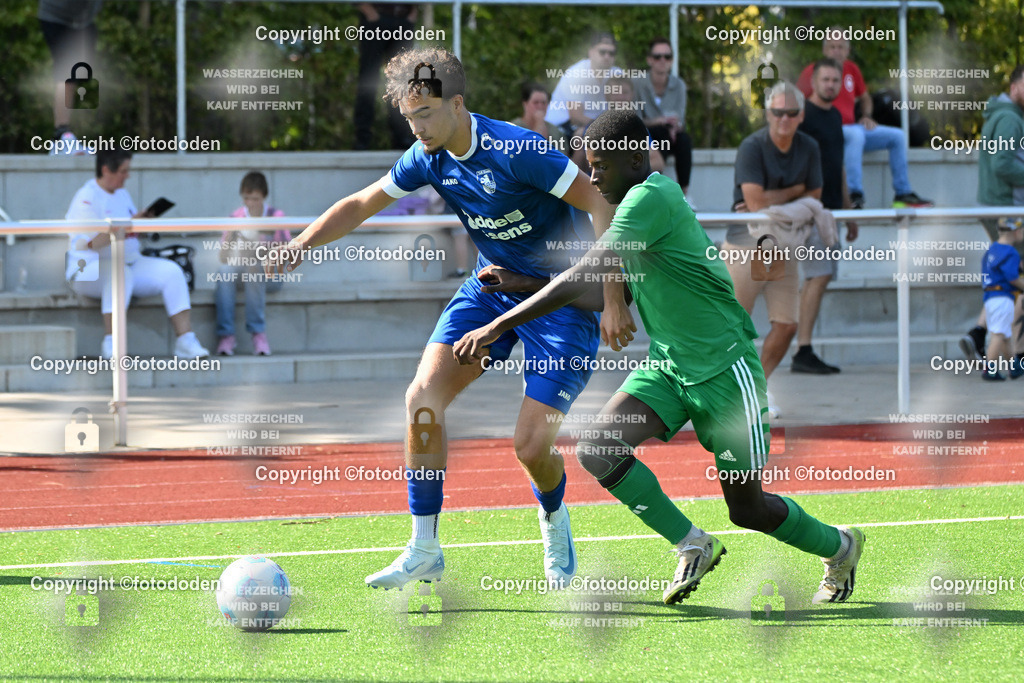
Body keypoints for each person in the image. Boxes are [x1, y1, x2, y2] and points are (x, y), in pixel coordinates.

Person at [453, 109, 865, 606]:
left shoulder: (652, 197)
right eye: (589, 165)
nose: (594, 175)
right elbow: (613, 292)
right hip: (670, 367)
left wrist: (499, 323)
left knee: (748, 510)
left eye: (601, 164)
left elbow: (591, 272)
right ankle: (692, 543)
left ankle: (840, 547)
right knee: (599, 448)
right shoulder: (633, 203)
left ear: (635, 155)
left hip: (724, 372)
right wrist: (523, 284)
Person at [264, 46, 631, 590]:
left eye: (425, 114)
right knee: (423, 399)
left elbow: (601, 202)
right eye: (409, 118)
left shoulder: (519, 149)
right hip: (491, 288)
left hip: (560, 301)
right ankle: (424, 546)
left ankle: (555, 523)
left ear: (457, 105)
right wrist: (301, 242)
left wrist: (614, 296)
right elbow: (363, 202)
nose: (416, 129)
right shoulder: (426, 156)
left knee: (531, 447)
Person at [722, 82, 822, 417]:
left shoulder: (809, 146)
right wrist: (794, 192)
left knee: (787, 324)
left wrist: (772, 202)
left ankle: (753, 393)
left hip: (782, 246)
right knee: (733, 326)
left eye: (791, 112)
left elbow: (816, 198)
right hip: (745, 242)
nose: (784, 118)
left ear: (801, 115)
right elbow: (755, 202)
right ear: (767, 113)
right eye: (778, 112)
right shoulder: (752, 146)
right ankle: (723, 395)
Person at [65, 149, 209, 359]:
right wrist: (117, 231)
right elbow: (86, 245)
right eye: (124, 171)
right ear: (106, 170)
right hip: (88, 269)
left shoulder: (122, 192)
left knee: (173, 272)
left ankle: (185, 341)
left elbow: (130, 227)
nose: (128, 176)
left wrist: (140, 221)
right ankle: (111, 344)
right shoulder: (86, 198)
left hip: (130, 261)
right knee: (120, 274)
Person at [797, 32, 932, 209]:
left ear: (848, 50)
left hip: (853, 127)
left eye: (841, 47)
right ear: (824, 49)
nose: (836, 51)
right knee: (855, 135)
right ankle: (855, 195)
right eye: (832, 47)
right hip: (831, 131)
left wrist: (866, 116)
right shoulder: (813, 71)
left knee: (897, 136)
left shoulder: (852, 69)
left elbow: (865, 97)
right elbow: (797, 100)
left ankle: (903, 194)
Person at [792, 58, 858, 374]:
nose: (831, 84)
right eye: (826, 79)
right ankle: (802, 350)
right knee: (817, 276)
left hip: (832, 212)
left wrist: (849, 212)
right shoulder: (802, 116)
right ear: (814, 82)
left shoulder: (835, 117)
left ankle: (804, 349)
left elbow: (839, 165)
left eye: (836, 80)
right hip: (811, 212)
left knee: (823, 276)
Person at [962, 66, 1024, 361]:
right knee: (1016, 278)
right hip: (1005, 209)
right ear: (1014, 86)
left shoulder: (1004, 115)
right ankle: (1008, 353)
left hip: (998, 207)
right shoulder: (1010, 119)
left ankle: (978, 335)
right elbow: (1003, 164)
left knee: (1006, 275)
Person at [215, 171, 290, 356]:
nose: (251, 203)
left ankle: (258, 334)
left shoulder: (275, 216)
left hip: (271, 274)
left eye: (255, 199)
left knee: (255, 266)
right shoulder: (236, 217)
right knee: (224, 271)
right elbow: (223, 256)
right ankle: (226, 337)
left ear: (264, 197)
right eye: (247, 198)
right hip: (242, 270)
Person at [38, 0, 103, 153]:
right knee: (67, 72)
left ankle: (60, 138)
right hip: (58, 18)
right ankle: (62, 133)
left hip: (81, 22)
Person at [352, 3, 419, 150]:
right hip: (375, 19)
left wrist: (413, 11)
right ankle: (362, 139)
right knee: (368, 79)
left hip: (403, 19)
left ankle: (402, 137)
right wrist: (367, 10)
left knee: (402, 81)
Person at [632, 37, 693, 195]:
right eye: (657, 56)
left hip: (671, 134)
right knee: (659, 134)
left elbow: (680, 117)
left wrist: (673, 126)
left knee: (684, 140)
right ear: (649, 60)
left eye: (667, 57)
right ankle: (656, 191)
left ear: (672, 60)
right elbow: (636, 120)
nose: (662, 60)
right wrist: (659, 121)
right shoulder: (637, 84)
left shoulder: (679, 85)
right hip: (647, 134)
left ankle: (684, 193)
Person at [546, 32, 622, 139]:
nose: (607, 56)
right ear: (591, 52)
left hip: (594, 126)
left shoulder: (618, 74)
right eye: (602, 52)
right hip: (562, 126)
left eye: (611, 53)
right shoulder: (577, 73)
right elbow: (575, 117)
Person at [980, 218, 1024, 381]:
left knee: (1005, 335)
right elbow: (1013, 278)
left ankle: (1014, 367)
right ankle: (990, 370)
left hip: (991, 296)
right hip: (1002, 296)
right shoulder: (1010, 252)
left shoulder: (992, 250)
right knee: (998, 335)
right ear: (1016, 231)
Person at [511, 82, 567, 151]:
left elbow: (563, 159)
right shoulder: (514, 128)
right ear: (525, 104)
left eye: (543, 103)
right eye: (536, 103)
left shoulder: (555, 131)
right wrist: (539, 124)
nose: (540, 107)